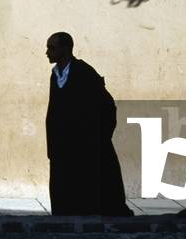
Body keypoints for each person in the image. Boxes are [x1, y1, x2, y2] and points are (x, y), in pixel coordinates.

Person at [45, 32, 132, 216]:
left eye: (52, 48)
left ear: (65, 49)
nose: (47, 52)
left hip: (85, 145)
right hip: (64, 146)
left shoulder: (83, 73)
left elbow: (107, 106)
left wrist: (97, 137)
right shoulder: (56, 76)